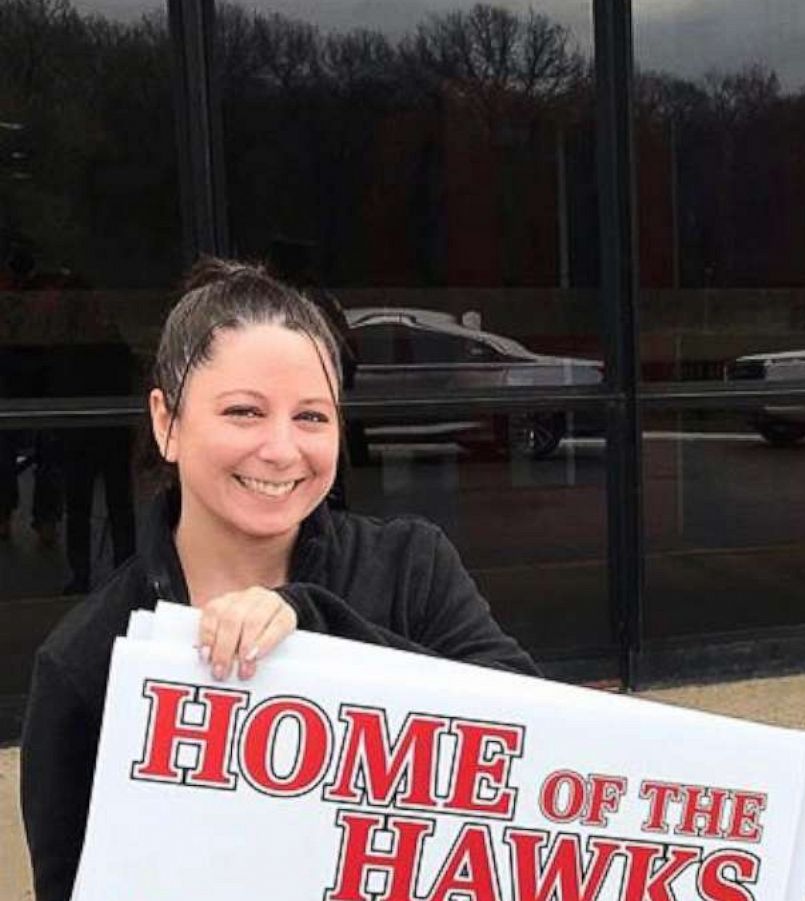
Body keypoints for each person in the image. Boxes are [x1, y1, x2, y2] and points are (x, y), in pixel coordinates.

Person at [19, 258, 539, 901]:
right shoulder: (91, 657)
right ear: (166, 421)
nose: (282, 449)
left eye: (313, 417)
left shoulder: (411, 566)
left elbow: (531, 745)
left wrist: (315, 624)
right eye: (244, 412)